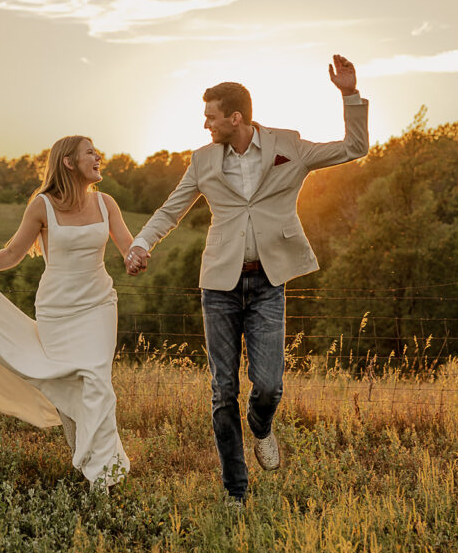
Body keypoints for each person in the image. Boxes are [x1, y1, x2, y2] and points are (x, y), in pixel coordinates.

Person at [125, 55, 369, 502]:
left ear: (234, 118)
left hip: (268, 282)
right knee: (223, 389)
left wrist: (349, 94)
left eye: (211, 117)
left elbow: (354, 148)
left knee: (270, 384)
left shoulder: (289, 146)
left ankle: (262, 425)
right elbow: (171, 209)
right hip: (218, 284)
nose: (205, 125)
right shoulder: (202, 161)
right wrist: (142, 244)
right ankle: (236, 490)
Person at [0, 135, 133, 490]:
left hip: (99, 304)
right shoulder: (43, 206)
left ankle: (104, 475)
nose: (98, 157)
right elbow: (12, 254)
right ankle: (86, 453)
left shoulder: (106, 203)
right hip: (57, 310)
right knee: (69, 379)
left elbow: (129, 247)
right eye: (90, 153)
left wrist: (139, 257)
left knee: (97, 380)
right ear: (68, 162)